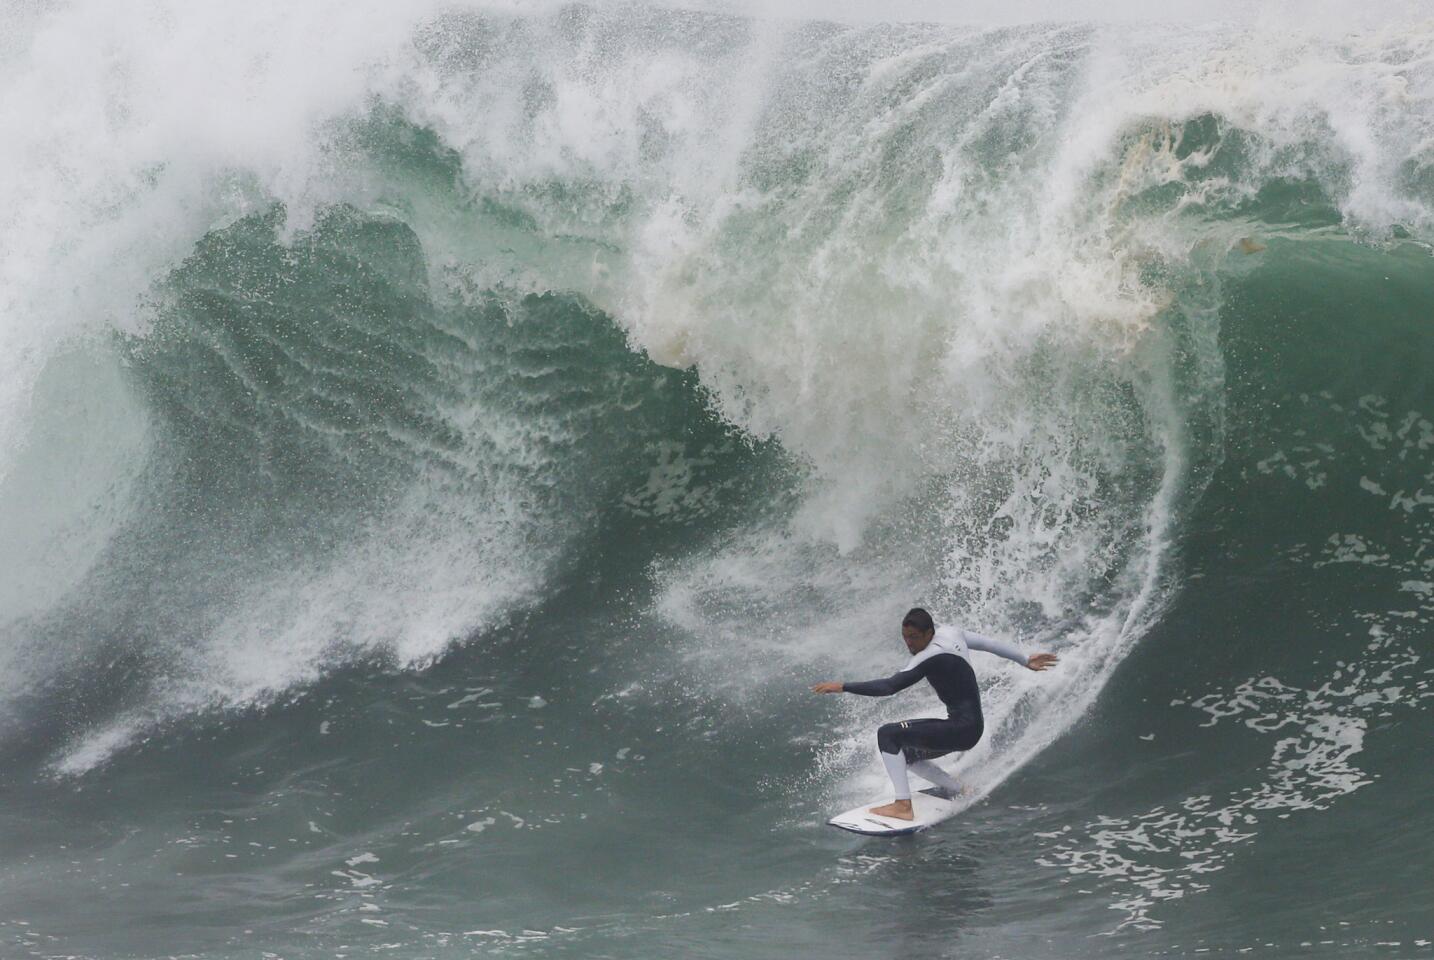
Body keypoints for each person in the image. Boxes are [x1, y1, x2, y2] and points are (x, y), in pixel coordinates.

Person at [811, 607, 1058, 821]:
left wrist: (843, 686)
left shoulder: (929, 656)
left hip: (962, 729)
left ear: (929, 633)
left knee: (888, 735)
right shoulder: (951, 633)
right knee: (904, 754)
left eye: (914, 637)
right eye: (905, 637)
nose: (909, 643)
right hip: (968, 727)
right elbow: (989, 644)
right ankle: (960, 789)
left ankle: (902, 806)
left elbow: (889, 687)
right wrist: (1024, 659)